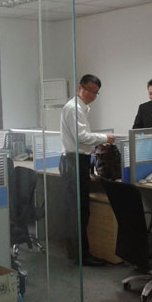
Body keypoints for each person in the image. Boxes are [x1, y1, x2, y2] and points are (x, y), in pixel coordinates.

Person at [60, 74, 115, 266]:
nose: (92, 94)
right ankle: (81, 256)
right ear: (79, 88)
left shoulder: (81, 108)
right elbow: (82, 137)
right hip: (74, 161)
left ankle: (76, 252)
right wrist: (105, 138)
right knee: (79, 211)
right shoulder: (74, 108)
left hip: (77, 161)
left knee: (77, 209)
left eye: (95, 92)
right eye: (89, 90)